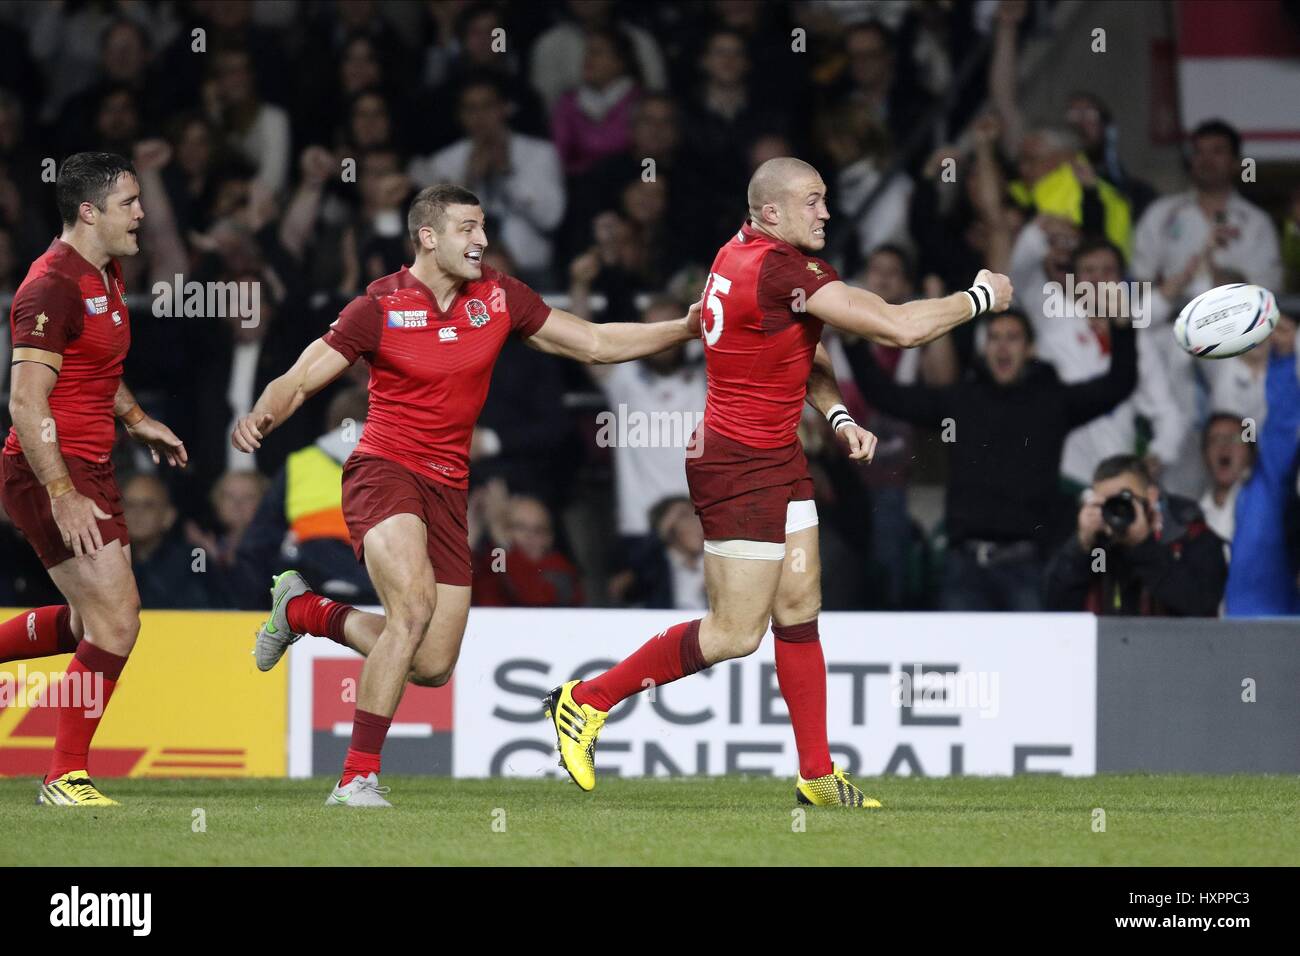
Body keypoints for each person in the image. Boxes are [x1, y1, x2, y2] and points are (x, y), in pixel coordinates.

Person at [543, 156, 1012, 807]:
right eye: (813, 201)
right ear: (770, 211)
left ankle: (816, 773)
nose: (825, 211)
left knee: (799, 609)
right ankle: (587, 700)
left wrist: (840, 415)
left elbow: (805, 348)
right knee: (735, 634)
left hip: (775, 457)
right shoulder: (784, 268)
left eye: (824, 199)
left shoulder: (740, 255)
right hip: (738, 466)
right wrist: (980, 297)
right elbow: (900, 327)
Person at [231, 184, 702, 808]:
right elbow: (304, 374)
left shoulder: (500, 297)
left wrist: (684, 327)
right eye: (466, 228)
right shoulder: (379, 305)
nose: (481, 239)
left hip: (451, 490)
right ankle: (356, 779)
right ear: (428, 237)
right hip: (384, 471)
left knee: (430, 664)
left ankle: (303, 612)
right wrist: (260, 417)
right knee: (413, 609)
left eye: (483, 227)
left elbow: (591, 342)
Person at [0, 152, 187, 806]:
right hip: (51, 470)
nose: (141, 214)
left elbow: (93, 367)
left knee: (92, 625)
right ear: (87, 211)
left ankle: (63, 772)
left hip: (92, 465)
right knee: (117, 625)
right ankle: (63, 776)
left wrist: (136, 418)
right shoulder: (51, 285)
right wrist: (61, 492)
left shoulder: (104, 273)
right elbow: (26, 402)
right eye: (128, 203)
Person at [844, 309, 1137, 611]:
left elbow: (1119, 384)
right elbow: (886, 396)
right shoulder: (961, 400)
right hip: (964, 568)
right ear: (984, 349)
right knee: (958, 656)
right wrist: (852, 343)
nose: (1002, 347)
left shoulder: (1052, 401)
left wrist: (1122, 324)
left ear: (1030, 349)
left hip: (1029, 567)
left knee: (1031, 659)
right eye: (994, 338)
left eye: (1012, 338)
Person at [1044, 455, 1227, 616]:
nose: (1117, 511)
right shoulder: (1096, 550)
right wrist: (1081, 545)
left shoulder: (1191, 537)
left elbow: (1199, 603)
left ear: (1152, 496)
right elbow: (1055, 607)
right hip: (1108, 651)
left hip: (1175, 652)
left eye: (1124, 500)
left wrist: (1143, 545)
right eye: (1107, 504)